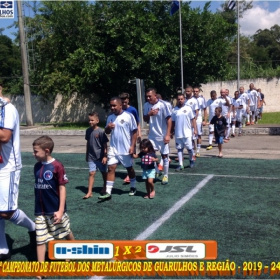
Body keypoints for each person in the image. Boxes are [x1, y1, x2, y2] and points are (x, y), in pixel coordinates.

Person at [0, 97, 36, 261]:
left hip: (8, 167)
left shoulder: (7, 109)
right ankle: (2, 247)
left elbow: (4, 136)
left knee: (6, 212)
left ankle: (33, 227)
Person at [32, 136, 75, 266]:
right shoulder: (37, 166)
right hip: (40, 210)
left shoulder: (57, 166)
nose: (33, 154)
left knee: (65, 231)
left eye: (36, 151)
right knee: (40, 239)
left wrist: (61, 210)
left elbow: (62, 188)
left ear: (46, 151)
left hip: (55, 209)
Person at [98, 97, 138, 200]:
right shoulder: (110, 117)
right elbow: (106, 132)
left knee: (129, 169)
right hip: (114, 149)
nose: (112, 107)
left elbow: (134, 132)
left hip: (125, 149)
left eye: (114, 105)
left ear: (120, 105)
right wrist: (108, 127)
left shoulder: (129, 116)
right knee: (111, 168)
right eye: (111, 105)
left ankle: (133, 187)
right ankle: (108, 192)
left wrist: (132, 146)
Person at [143, 88, 172, 185]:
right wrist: (149, 114)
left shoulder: (164, 104)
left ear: (155, 96)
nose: (148, 98)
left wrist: (168, 134)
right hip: (152, 136)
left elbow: (169, 119)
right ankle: (157, 171)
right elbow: (145, 118)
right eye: (146, 96)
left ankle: (166, 175)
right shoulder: (146, 105)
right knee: (151, 155)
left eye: (149, 96)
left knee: (164, 156)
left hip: (162, 135)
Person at [84, 112, 108, 199]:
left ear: (97, 121)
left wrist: (105, 156)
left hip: (100, 156)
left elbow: (105, 144)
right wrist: (87, 154)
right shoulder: (88, 131)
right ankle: (89, 191)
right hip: (91, 156)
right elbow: (88, 143)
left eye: (92, 120)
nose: (90, 122)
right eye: (89, 120)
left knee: (104, 173)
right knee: (91, 173)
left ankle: (105, 186)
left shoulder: (101, 131)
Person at [119, 92, 141, 183]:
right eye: (122, 102)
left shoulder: (132, 110)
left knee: (131, 153)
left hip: (132, 135)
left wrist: (139, 134)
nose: (124, 104)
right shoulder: (119, 110)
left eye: (125, 102)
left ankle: (129, 175)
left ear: (128, 100)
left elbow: (137, 122)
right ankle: (129, 171)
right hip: (123, 136)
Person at [171, 94, 197, 170]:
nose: (180, 100)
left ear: (184, 99)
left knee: (190, 149)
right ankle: (180, 165)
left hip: (187, 133)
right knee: (179, 149)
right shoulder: (174, 110)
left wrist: (195, 130)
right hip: (178, 134)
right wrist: (171, 132)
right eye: (179, 99)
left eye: (181, 99)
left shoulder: (188, 108)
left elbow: (193, 119)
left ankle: (191, 160)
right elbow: (172, 122)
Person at [193, 87, 207, 157]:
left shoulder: (202, 99)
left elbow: (205, 110)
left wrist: (205, 120)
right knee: (191, 135)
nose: (195, 92)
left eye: (197, 91)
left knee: (199, 134)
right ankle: (193, 150)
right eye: (194, 91)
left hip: (199, 119)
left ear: (199, 91)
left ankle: (198, 150)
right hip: (191, 119)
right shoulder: (190, 99)